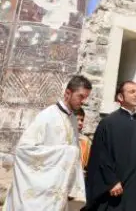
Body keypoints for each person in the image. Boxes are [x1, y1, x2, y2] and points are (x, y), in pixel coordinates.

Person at [3, 75, 91, 211]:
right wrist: (65, 153)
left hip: (58, 189)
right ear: (68, 93)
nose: (84, 101)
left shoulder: (73, 120)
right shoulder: (47, 116)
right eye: (81, 96)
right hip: (40, 191)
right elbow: (23, 150)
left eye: (86, 97)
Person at [85, 81, 136, 210]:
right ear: (120, 97)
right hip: (116, 188)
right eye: (131, 92)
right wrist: (111, 181)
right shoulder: (108, 123)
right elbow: (101, 154)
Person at [76, 107, 92, 176]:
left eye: (82, 120)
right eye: (77, 120)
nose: (80, 123)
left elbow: (89, 164)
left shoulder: (85, 141)